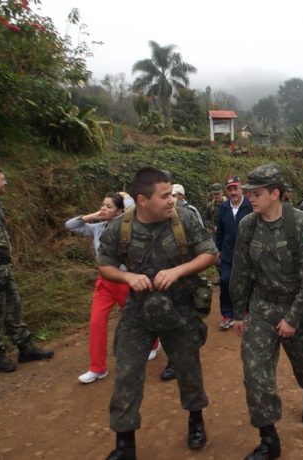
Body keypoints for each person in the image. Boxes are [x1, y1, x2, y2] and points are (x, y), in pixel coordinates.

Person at [97, 167, 218, 459]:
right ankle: (124, 444)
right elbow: (104, 265)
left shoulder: (183, 219)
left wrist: (178, 271)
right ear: (142, 200)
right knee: (127, 374)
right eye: (164, 196)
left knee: (188, 369)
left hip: (180, 310)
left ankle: (195, 420)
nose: (171, 200)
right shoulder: (121, 227)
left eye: (171, 194)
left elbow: (210, 253)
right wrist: (127, 277)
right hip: (138, 313)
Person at [230, 164, 303, 460]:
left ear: (275, 194)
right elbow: (240, 271)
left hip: (297, 307)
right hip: (262, 307)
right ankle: (269, 439)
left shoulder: (301, 223)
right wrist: (239, 312)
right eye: (249, 193)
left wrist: (293, 318)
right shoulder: (248, 225)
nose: (250, 199)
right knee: (255, 372)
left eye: (256, 194)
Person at [65, 192, 160, 384]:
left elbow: (134, 212)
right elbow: (71, 225)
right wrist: (93, 216)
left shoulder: (127, 227)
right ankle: (97, 368)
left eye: (108, 206)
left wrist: (126, 197)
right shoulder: (97, 228)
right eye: (102, 205)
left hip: (125, 280)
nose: (103, 209)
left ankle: (154, 343)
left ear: (119, 211)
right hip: (104, 283)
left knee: (140, 316)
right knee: (96, 322)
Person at [0, 168, 54, 373]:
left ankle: (25, 347)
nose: (6, 182)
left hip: (3, 266)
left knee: (14, 306)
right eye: (2, 179)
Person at [160, 183, 207, 381]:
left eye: (175, 195)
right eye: (169, 195)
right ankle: (172, 359)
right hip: (158, 286)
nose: (173, 198)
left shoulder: (188, 214)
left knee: (184, 322)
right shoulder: (145, 219)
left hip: (183, 280)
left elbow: (203, 242)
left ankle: (180, 359)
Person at [215, 175, 253, 330]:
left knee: (247, 283)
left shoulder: (250, 206)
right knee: (225, 281)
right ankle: (228, 314)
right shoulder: (223, 208)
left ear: (241, 188)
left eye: (235, 188)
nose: (233, 192)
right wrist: (217, 250)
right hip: (227, 253)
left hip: (247, 254)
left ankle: (245, 312)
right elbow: (220, 231)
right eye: (229, 189)